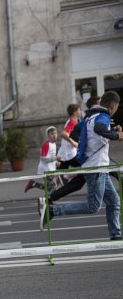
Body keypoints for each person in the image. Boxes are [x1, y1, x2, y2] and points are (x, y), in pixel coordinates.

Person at [42, 91, 122, 239]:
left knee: (114, 201)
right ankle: (53, 211)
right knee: (93, 207)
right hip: (96, 168)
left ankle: (115, 234)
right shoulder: (103, 117)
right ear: (113, 106)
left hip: (98, 167)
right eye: (117, 107)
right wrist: (117, 136)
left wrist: (112, 131)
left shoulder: (91, 116)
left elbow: (95, 132)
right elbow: (99, 129)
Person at [24, 126, 62, 193]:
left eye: (56, 133)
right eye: (52, 134)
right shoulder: (46, 145)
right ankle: (49, 200)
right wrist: (55, 158)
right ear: (48, 135)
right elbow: (43, 158)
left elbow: (52, 156)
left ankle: (33, 184)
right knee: (52, 188)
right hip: (46, 169)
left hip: (51, 168)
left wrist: (56, 162)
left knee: (51, 187)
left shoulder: (54, 144)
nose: (54, 135)